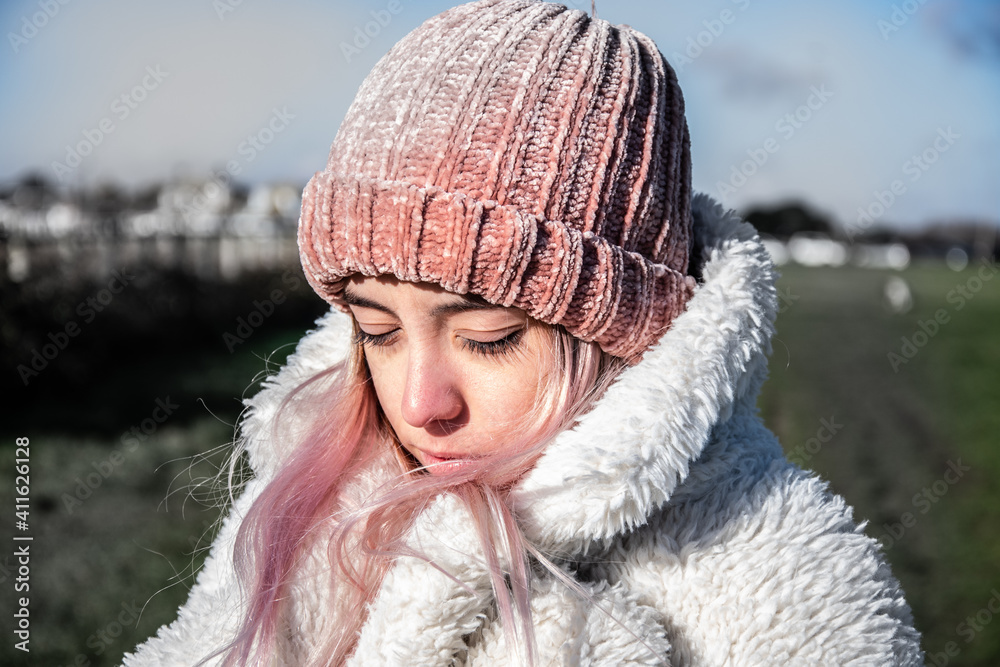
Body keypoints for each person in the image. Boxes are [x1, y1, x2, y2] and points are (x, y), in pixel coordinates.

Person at [123, 0, 924, 664]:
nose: (417, 400)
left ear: (625, 332)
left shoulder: (782, 583)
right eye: (376, 329)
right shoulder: (306, 502)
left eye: (488, 336)